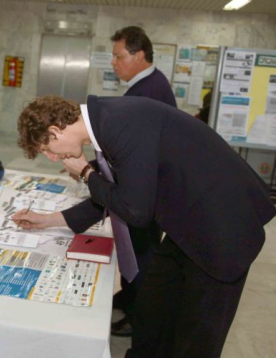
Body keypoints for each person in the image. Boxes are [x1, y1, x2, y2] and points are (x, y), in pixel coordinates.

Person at [12, 95, 275, 357]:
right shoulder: (104, 120)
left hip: (222, 228)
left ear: (55, 131)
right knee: (153, 312)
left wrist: (86, 173)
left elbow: (135, 211)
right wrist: (49, 219)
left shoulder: (119, 125)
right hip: (187, 222)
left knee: (196, 337)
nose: (53, 158)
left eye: (47, 149)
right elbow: (115, 191)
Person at [109, 25, 178, 337]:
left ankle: (140, 318)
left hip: (148, 191)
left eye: (118, 56)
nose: (113, 62)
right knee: (132, 249)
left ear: (138, 56)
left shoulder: (147, 90)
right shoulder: (147, 83)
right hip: (147, 186)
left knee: (141, 254)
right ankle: (129, 297)